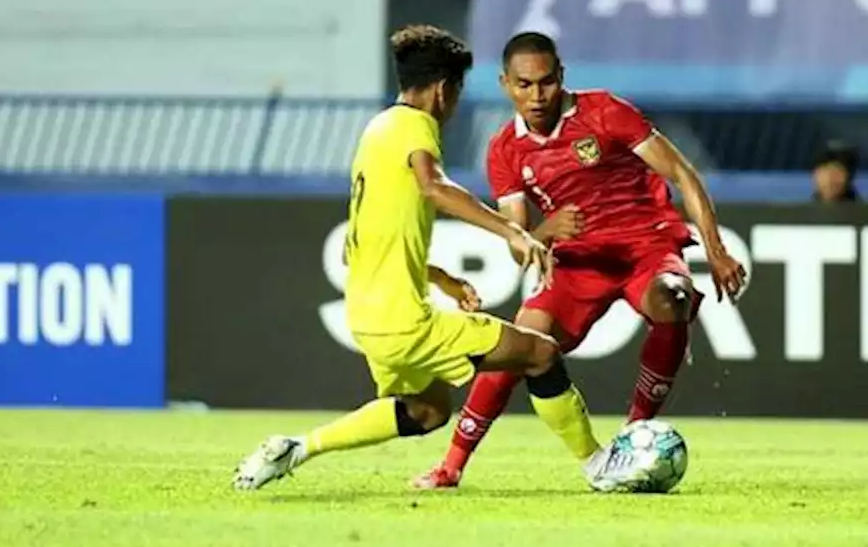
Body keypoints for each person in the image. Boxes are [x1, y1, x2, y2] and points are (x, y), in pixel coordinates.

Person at [232, 25, 645, 493]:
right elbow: (435, 185)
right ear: (445, 89)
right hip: (405, 322)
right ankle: (599, 465)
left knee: (427, 410)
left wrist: (441, 277)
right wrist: (511, 229)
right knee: (540, 353)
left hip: (368, 316)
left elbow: (361, 244)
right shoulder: (414, 127)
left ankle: (296, 448)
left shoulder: (377, 130)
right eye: (459, 90)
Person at [412, 32, 747, 490]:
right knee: (518, 346)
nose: (537, 95)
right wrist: (545, 232)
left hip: (645, 246)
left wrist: (715, 249)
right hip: (577, 262)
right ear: (506, 84)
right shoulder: (505, 150)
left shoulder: (606, 112)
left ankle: (634, 435)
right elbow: (518, 242)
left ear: (561, 77)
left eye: (546, 83)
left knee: (673, 297)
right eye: (525, 85)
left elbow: (682, 174)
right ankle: (451, 465)